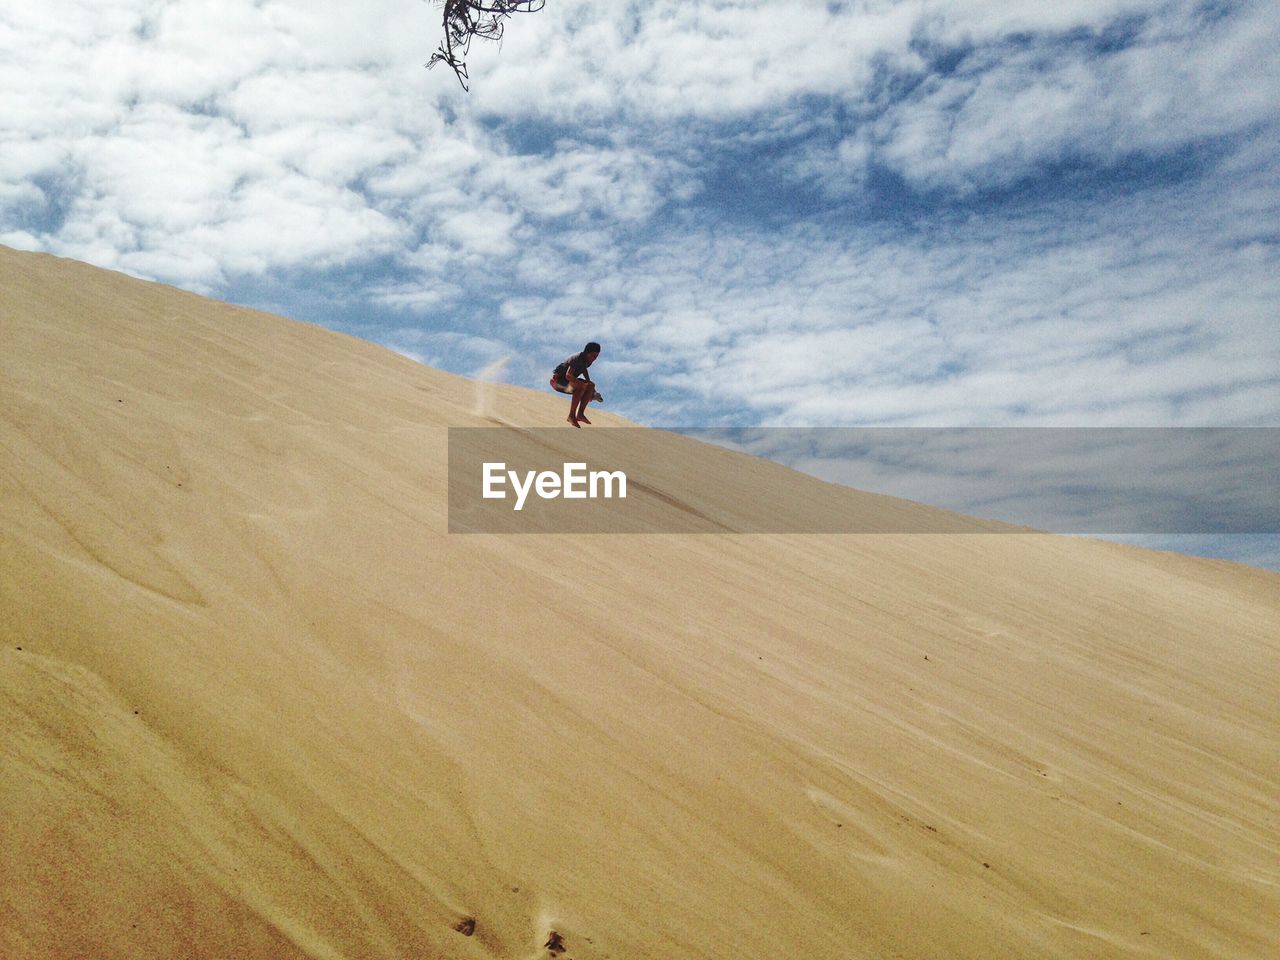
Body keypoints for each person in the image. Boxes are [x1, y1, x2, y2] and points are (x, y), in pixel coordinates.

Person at [550, 341, 600, 427]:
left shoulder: (587, 360)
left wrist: (590, 387)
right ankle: (571, 416)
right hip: (557, 382)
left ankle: (580, 414)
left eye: (596, 356)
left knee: (591, 385)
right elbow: (568, 375)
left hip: (567, 382)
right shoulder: (578, 358)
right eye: (593, 356)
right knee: (581, 387)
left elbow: (584, 369)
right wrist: (583, 385)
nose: (595, 358)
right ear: (587, 353)